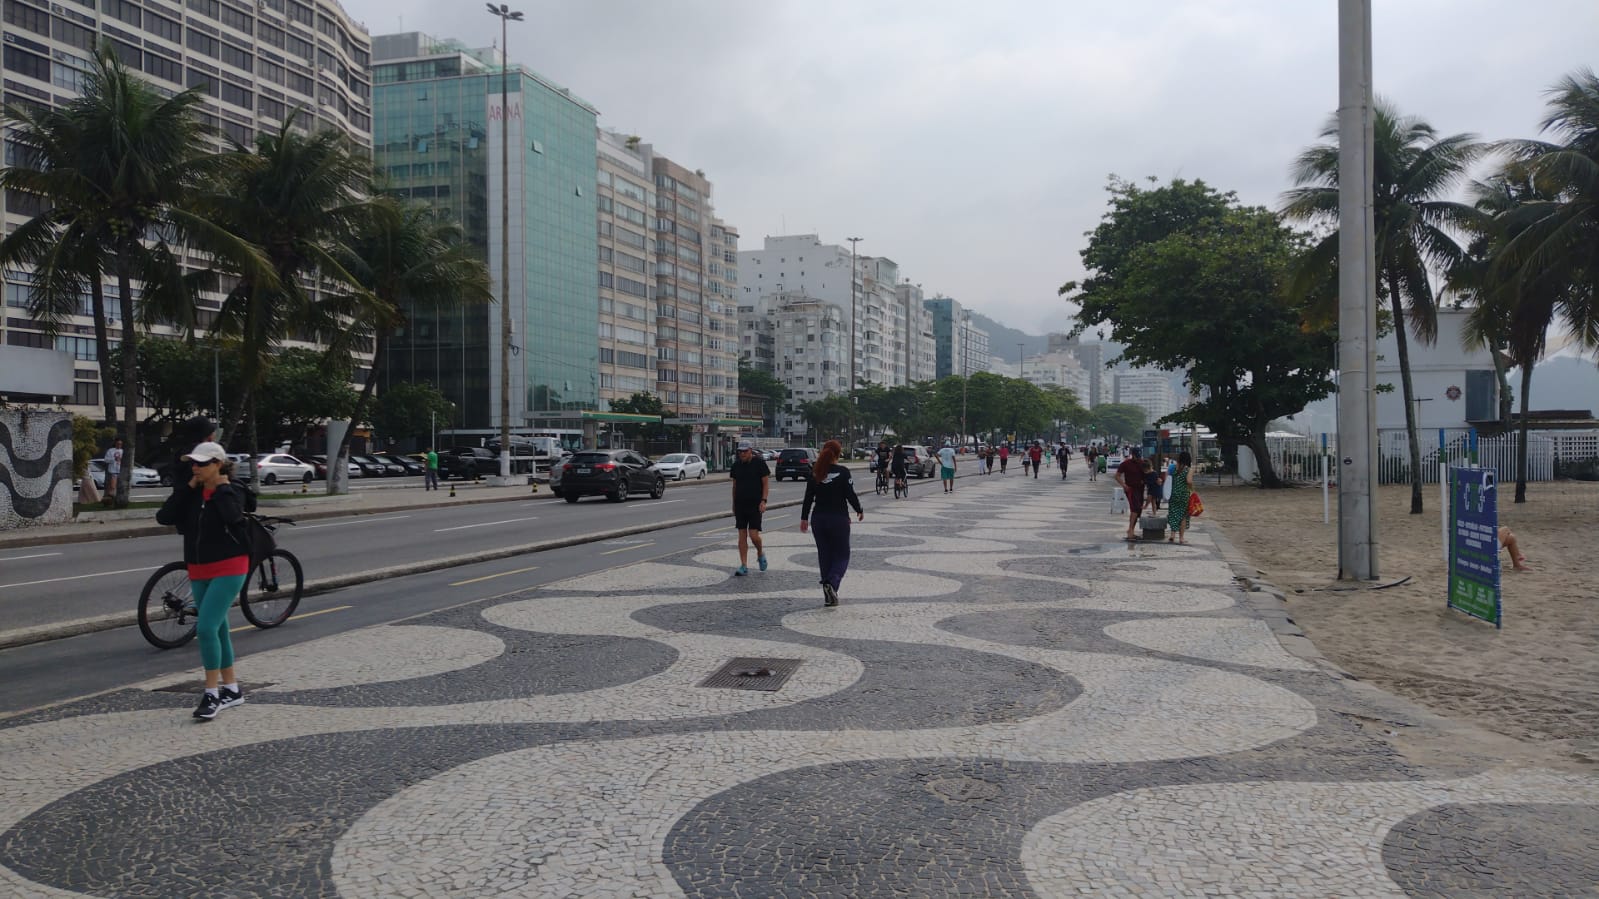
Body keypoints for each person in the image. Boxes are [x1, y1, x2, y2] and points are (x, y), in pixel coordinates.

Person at [155, 441, 251, 721]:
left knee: (206, 629)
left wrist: (221, 488)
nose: (195, 468)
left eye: (201, 463)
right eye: (193, 463)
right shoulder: (192, 493)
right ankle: (231, 689)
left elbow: (233, 517)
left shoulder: (233, 490)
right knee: (218, 629)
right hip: (198, 569)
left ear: (218, 464)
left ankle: (211, 693)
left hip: (230, 566)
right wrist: (187, 488)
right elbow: (164, 517)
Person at [799, 439, 863, 607]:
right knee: (842, 554)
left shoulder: (816, 472)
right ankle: (832, 583)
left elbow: (808, 498)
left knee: (824, 555)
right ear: (838, 454)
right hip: (838, 519)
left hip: (818, 520)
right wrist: (859, 509)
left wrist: (804, 518)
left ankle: (829, 595)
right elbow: (850, 494)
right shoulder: (843, 472)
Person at [728, 441, 770, 575]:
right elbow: (734, 486)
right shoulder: (736, 466)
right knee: (742, 535)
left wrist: (763, 501)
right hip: (740, 504)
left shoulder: (760, 464)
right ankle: (743, 565)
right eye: (740, 451)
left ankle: (760, 553)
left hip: (755, 504)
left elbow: (765, 484)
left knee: (753, 535)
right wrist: (733, 503)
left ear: (750, 450)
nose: (742, 454)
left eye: (745, 451)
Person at [1114, 448, 1146, 540]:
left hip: (1140, 489)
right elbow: (1117, 476)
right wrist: (1124, 485)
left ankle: (1131, 530)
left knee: (1138, 510)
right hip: (1131, 489)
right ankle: (1130, 531)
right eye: (1137, 456)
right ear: (1133, 455)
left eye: (1139, 456)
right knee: (1135, 509)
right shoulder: (1125, 464)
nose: (1138, 458)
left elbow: (1148, 473)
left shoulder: (1142, 463)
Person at [1166, 450, 1196, 545]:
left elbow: (1167, 478)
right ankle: (1181, 538)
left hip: (1173, 494)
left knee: (1173, 513)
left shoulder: (1173, 467)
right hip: (1184, 495)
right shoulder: (1189, 469)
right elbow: (1189, 481)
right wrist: (1192, 489)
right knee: (1183, 516)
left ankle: (1172, 535)